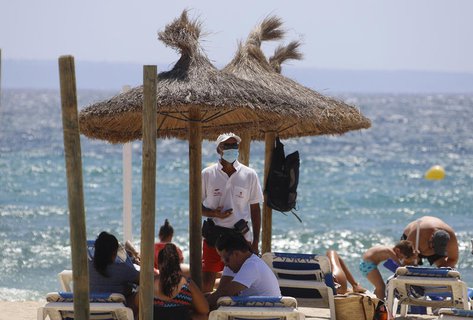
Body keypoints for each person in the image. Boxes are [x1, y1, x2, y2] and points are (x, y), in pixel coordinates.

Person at [201, 132, 264, 292]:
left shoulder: (249, 174)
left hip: (240, 237)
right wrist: (215, 214)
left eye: (234, 146)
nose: (231, 149)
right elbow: (195, 207)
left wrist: (256, 241)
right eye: (226, 145)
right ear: (218, 149)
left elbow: (255, 209)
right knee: (207, 281)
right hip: (214, 236)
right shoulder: (207, 174)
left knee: (240, 282)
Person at [206, 232, 280, 310]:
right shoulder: (246, 262)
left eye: (226, 259)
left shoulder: (252, 265)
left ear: (236, 254)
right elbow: (221, 291)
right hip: (259, 311)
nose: (225, 264)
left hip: (266, 315)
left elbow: (223, 293)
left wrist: (198, 303)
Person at [154, 243, 209, 320]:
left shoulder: (150, 283)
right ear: (178, 263)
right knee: (203, 317)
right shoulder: (186, 283)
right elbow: (204, 309)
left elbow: (137, 303)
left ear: (158, 263)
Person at [89, 231, 140, 313]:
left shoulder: (86, 268)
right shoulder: (122, 269)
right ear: (114, 253)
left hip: (92, 312)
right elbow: (144, 281)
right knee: (141, 295)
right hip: (119, 313)